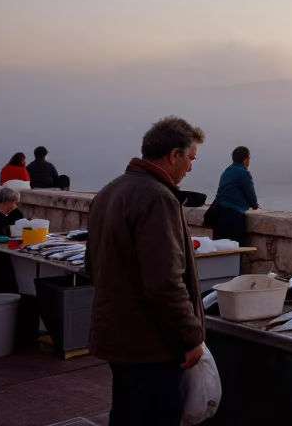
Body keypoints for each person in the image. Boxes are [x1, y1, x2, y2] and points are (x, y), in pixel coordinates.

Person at [86, 116, 206, 426]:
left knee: (125, 415)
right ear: (173, 155)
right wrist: (190, 338)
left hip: (118, 338)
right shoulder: (157, 198)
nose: (190, 168)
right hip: (151, 345)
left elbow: (92, 265)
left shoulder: (109, 192)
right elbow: (165, 283)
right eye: (190, 159)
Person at [212, 146, 258, 243]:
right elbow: (251, 196)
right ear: (245, 160)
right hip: (233, 216)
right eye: (249, 158)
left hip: (218, 214)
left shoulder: (227, 171)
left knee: (219, 249)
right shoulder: (244, 173)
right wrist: (255, 205)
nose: (249, 161)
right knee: (235, 249)